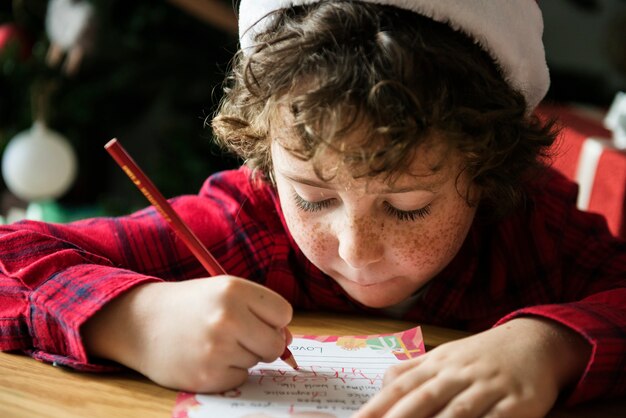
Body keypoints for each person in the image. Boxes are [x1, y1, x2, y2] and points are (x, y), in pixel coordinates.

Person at [1, 1, 625, 417]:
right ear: (268, 159)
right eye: (314, 196)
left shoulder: (528, 227)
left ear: (489, 172)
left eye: (407, 206)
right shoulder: (251, 223)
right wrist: (134, 320)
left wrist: (551, 346)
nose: (355, 249)